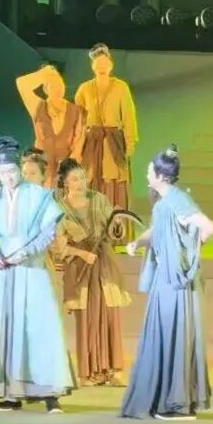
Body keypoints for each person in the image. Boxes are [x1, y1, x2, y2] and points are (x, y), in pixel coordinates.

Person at [0, 136, 72, 413]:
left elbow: (47, 233)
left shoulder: (39, 196)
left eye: (12, 171)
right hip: (2, 272)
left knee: (38, 327)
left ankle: (50, 394)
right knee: (4, 327)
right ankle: (11, 392)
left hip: (31, 269)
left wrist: (25, 252)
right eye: (2, 173)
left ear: (19, 169)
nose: (8, 177)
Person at [121, 145, 213, 420]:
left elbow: (208, 227)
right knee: (167, 334)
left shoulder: (176, 199)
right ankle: (170, 399)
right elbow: (159, 230)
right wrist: (138, 242)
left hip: (174, 280)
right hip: (165, 278)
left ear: (161, 176)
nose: (146, 175)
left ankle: (177, 402)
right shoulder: (167, 201)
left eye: (149, 171)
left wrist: (186, 252)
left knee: (174, 335)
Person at [51, 158, 132, 386]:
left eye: (82, 178)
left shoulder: (99, 199)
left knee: (109, 314)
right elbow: (57, 245)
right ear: (65, 182)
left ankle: (113, 370)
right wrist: (80, 253)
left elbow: (115, 233)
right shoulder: (59, 208)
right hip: (81, 267)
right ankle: (88, 372)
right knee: (86, 318)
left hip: (104, 263)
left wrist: (117, 222)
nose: (80, 183)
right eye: (75, 179)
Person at [75, 43, 138, 209]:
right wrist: (76, 146)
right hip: (91, 143)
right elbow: (78, 120)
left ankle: (114, 220)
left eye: (105, 63)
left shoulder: (121, 87)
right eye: (98, 63)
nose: (101, 67)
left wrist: (130, 142)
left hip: (113, 142)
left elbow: (129, 116)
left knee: (112, 178)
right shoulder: (84, 89)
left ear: (111, 65)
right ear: (92, 66)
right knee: (90, 177)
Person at [16, 64, 86, 188]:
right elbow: (21, 84)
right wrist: (45, 73)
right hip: (42, 165)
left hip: (65, 166)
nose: (58, 88)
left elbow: (79, 139)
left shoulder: (76, 110)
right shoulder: (38, 106)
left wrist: (70, 165)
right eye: (53, 86)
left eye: (60, 85)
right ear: (45, 90)